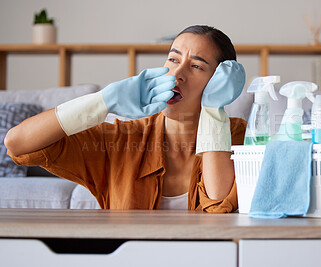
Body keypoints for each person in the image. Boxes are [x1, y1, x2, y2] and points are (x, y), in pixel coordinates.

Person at [4, 25, 246, 213]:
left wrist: (214, 111)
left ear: (220, 81)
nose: (177, 74)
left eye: (196, 66)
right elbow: (18, 144)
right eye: (173, 59)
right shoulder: (120, 140)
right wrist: (103, 100)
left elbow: (218, 207)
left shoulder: (241, 138)